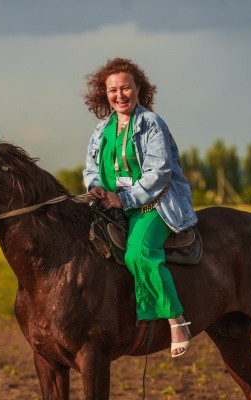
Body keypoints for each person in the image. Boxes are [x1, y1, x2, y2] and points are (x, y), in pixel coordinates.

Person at [82, 57, 198, 358]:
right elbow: (91, 168)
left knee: (139, 252)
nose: (119, 95)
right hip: (112, 205)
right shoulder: (101, 129)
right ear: (104, 94)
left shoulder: (152, 124)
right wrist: (95, 187)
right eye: (113, 90)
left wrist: (125, 199)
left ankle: (177, 321)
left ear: (138, 89)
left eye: (126, 88)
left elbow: (159, 172)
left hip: (156, 204)